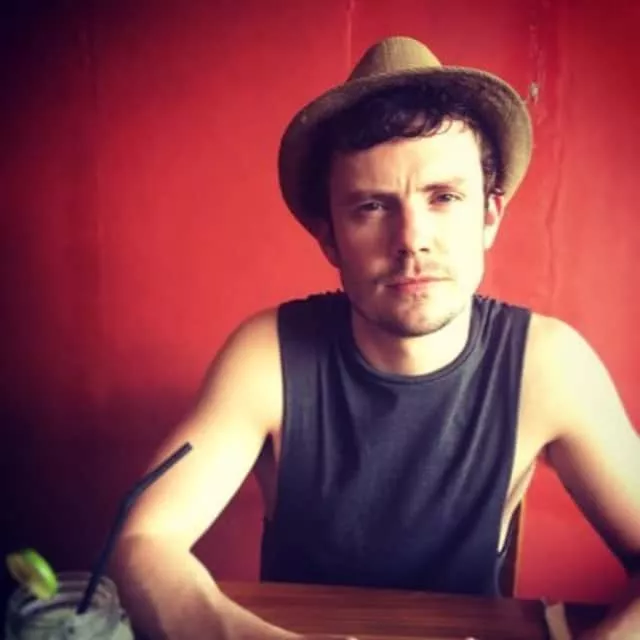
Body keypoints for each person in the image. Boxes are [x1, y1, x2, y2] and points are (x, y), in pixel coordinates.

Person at [110, 36, 640, 639]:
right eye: (371, 206)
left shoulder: (550, 365)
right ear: (330, 239)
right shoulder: (267, 355)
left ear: (489, 216)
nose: (411, 239)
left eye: (444, 197)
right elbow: (144, 540)